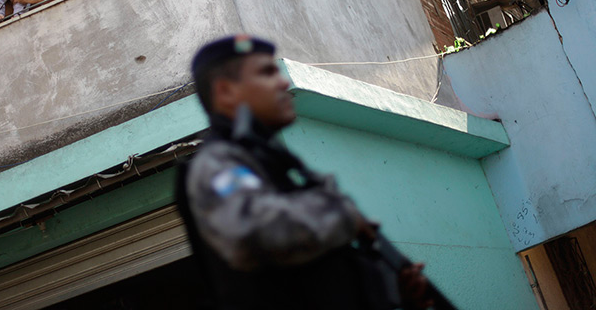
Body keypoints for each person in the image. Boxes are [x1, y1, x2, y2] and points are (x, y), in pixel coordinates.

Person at [177, 35, 434, 310]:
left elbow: (315, 280)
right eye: (267, 72)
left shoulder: (275, 162)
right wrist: (344, 215)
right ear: (226, 92)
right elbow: (257, 232)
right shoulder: (217, 162)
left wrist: (394, 290)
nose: (283, 82)